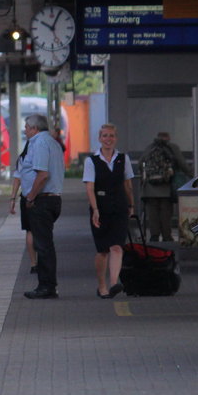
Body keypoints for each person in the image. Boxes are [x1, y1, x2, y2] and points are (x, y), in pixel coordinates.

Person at [84, 124, 136, 298]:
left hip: (119, 207)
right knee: (102, 250)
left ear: (116, 138)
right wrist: (95, 209)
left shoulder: (123, 159)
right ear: (99, 138)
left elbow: (128, 184)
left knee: (117, 247)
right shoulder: (91, 161)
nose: (108, 139)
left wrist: (131, 205)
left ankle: (114, 283)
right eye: (105, 136)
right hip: (101, 209)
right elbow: (90, 188)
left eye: (111, 136)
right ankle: (102, 285)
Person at [17, 114, 65, 299]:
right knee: (45, 243)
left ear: (34, 128)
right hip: (52, 199)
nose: (25, 131)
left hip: (42, 200)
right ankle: (47, 285)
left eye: (26, 127)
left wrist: (30, 197)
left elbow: (42, 174)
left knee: (43, 245)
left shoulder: (38, 144)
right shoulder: (53, 142)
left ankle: (47, 286)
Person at [140, 131, 189, 241]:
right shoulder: (172, 147)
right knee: (165, 213)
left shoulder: (149, 148)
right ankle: (167, 236)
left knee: (152, 214)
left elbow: (140, 163)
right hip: (166, 187)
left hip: (149, 189)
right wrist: (192, 175)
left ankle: (154, 236)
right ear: (168, 138)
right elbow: (182, 163)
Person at [9, 140, 37, 275]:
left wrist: (12, 199)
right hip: (41, 197)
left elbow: (16, 179)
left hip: (25, 198)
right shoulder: (41, 157)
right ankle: (43, 260)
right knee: (42, 231)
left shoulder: (22, 158)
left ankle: (33, 263)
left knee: (30, 231)